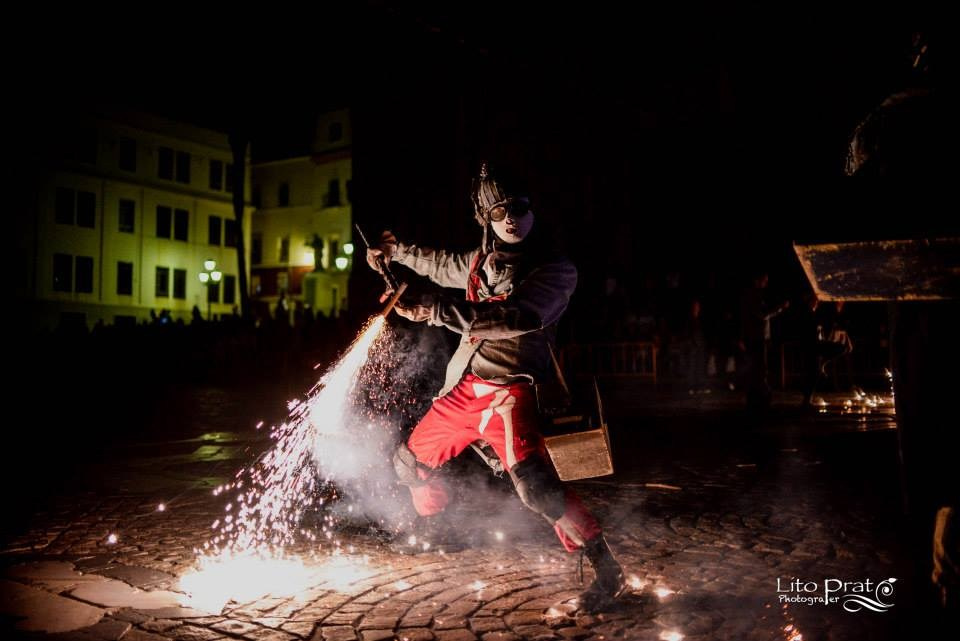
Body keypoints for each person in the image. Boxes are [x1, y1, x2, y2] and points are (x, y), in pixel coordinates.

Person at [367, 162, 625, 610]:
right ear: (485, 216)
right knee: (408, 463)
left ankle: (606, 567)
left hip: (510, 394)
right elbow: (436, 263)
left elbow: (515, 319)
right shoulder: (478, 265)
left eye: (519, 207)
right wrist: (394, 252)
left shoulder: (555, 270)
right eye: (500, 210)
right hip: (465, 390)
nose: (511, 218)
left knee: (536, 489)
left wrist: (435, 311)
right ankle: (430, 528)